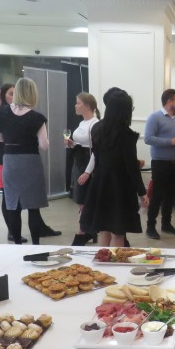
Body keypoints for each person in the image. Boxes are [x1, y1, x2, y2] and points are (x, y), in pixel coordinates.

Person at [80, 88, 149, 247]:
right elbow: (131, 168)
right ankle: (114, 262)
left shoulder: (96, 128)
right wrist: (142, 192)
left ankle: (102, 260)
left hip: (100, 183)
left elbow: (97, 157)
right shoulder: (126, 134)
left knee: (104, 229)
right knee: (118, 233)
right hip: (119, 187)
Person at [0, 77, 50, 244]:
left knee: (13, 206)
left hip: (10, 161)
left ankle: (17, 244)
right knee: (33, 208)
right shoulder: (37, 117)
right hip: (31, 162)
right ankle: (36, 245)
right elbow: (44, 145)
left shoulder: (3, 113)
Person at [144, 89, 175, 240]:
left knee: (170, 195)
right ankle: (150, 226)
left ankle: (166, 224)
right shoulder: (155, 117)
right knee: (157, 195)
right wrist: (171, 142)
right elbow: (148, 139)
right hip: (160, 163)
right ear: (169, 101)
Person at [69, 92, 101, 246]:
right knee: (81, 199)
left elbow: (96, 150)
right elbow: (81, 145)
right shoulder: (82, 123)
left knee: (85, 200)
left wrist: (88, 172)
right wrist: (71, 144)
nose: (75, 106)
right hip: (79, 162)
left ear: (87, 106)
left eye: (78, 103)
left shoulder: (95, 124)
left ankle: (82, 232)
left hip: (88, 165)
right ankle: (88, 231)